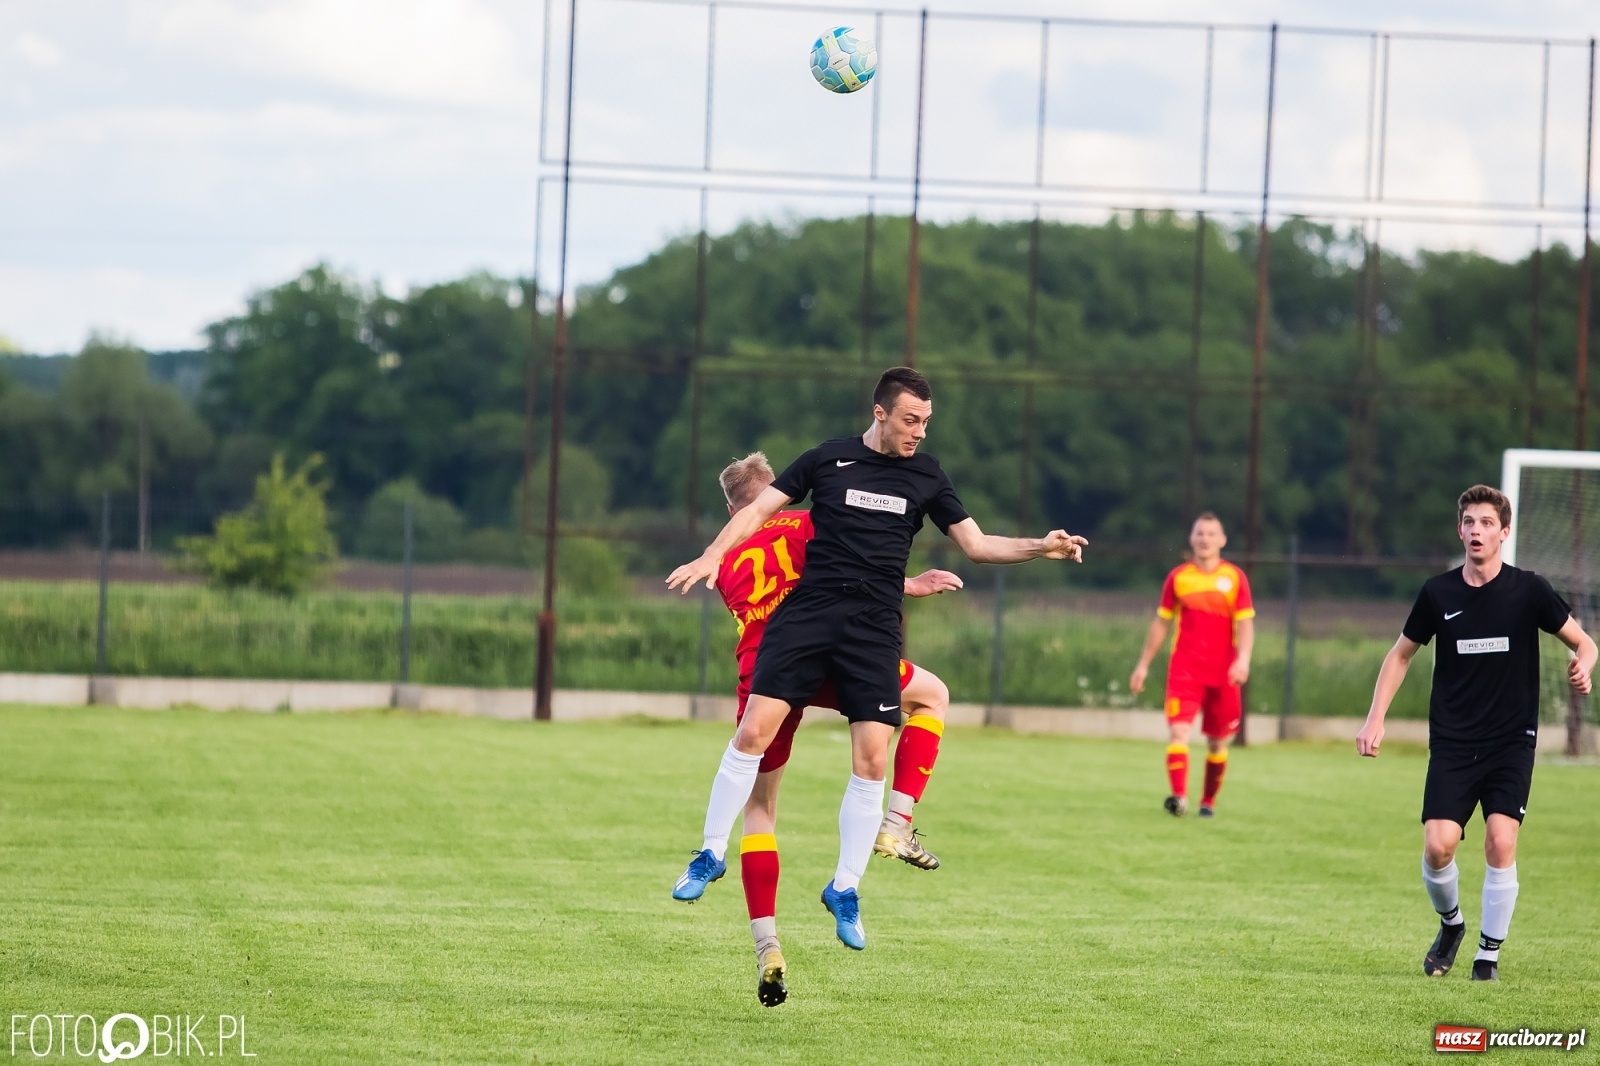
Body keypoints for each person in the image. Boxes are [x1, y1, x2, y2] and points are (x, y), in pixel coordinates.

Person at [667, 366, 1086, 968]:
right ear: (880, 412)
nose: (919, 432)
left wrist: (1040, 547)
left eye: (926, 422)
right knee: (752, 733)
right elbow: (758, 512)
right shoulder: (827, 459)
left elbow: (978, 545)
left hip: (872, 631)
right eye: (911, 420)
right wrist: (711, 554)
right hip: (809, 618)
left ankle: (845, 887)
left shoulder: (928, 475)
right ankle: (710, 852)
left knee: (871, 761)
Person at [681, 451, 962, 1007]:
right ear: (775, 494)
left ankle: (767, 944)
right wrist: (910, 584)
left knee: (760, 809)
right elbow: (855, 566)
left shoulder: (724, 557)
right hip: (834, 657)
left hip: (765, 673)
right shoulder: (809, 521)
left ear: (732, 511)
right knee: (931, 697)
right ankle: (896, 825)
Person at [1356, 484, 1596, 982]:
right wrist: (1375, 717)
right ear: (1459, 531)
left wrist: (1584, 664)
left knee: (1500, 841)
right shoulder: (1438, 593)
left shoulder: (1529, 590)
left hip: (1511, 740)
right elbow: (1400, 654)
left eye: (1487, 523)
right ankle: (1451, 925)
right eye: (1469, 522)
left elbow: (1585, 642)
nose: (1476, 531)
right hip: (1453, 741)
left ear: (1504, 532)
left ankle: (1488, 955)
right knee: (1438, 846)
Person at [1129, 513, 1255, 817]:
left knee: (1217, 742)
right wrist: (1143, 664)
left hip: (1224, 672)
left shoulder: (1235, 578)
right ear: (1191, 538)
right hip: (1185, 670)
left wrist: (1243, 659)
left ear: (1222, 540)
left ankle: (1208, 801)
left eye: (1211, 534)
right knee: (1179, 733)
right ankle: (1180, 798)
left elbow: (1246, 624)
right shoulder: (1178, 578)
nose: (1205, 539)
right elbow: (1162, 623)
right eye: (1200, 533)